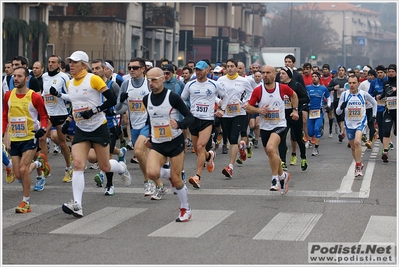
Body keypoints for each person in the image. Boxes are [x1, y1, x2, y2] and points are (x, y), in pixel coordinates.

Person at [61, 51, 131, 218]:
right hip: (81, 129)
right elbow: (76, 105)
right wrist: (68, 120)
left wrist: (93, 111)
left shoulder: (93, 79)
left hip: (99, 126)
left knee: (105, 166)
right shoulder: (70, 83)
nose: (71, 65)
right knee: (78, 164)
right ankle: (77, 204)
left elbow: (112, 101)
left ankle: (121, 168)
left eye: (75, 62)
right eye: (70, 62)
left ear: (83, 65)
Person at [143, 67, 194, 222]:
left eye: (153, 80)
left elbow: (189, 117)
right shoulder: (147, 99)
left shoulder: (173, 97)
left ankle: (185, 208)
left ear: (162, 79)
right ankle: (169, 175)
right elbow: (150, 119)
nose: (150, 83)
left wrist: (179, 124)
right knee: (151, 173)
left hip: (174, 142)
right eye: (148, 80)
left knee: (177, 179)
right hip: (158, 143)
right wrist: (150, 136)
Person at [116, 57, 167, 199]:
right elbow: (118, 109)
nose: (131, 70)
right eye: (129, 67)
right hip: (134, 125)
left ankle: (148, 182)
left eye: (135, 68)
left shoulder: (149, 84)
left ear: (143, 69)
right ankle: (160, 185)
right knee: (146, 157)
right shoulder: (126, 84)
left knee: (138, 152)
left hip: (148, 123)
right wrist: (121, 101)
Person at [244, 64, 299, 194]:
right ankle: (283, 176)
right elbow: (248, 107)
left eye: (268, 73)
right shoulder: (258, 90)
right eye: (263, 73)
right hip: (265, 126)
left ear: (275, 75)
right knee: (271, 153)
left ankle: (275, 179)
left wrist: (295, 110)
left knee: (270, 148)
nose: (265, 75)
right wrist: (259, 110)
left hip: (280, 125)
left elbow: (294, 95)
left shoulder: (282, 88)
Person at [2, 66, 49, 213]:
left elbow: (44, 116)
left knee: (23, 169)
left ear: (27, 79)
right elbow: (5, 116)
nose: (16, 79)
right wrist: (3, 133)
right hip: (15, 138)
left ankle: (26, 202)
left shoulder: (34, 96)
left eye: (20, 76)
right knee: (18, 174)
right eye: (15, 76)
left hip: (30, 137)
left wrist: (42, 128)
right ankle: (38, 162)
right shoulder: (8, 95)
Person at [181, 60, 226, 189]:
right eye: (197, 69)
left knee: (200, 147)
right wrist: (186, 112)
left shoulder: (214, 84)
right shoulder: (190, 85)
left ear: (207, 70)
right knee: (198, 151)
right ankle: (209, 155)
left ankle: (197, 177)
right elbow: (182, 100)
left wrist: (221, 110)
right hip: (193, 119)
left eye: (201, 69)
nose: (198, 72)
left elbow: (225, 96)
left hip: (207, 120)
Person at [90, 59, 128, 196]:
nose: (94, 71)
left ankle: (108, 184)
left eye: (97, 68)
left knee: (107, 155)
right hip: (95, 124)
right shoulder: (91, 85)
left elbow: (123, 104)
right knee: (91, 157)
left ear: (105, 69)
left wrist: (115, 112)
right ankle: (121, 154)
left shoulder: (113, 85)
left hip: (111, 124)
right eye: (92, 69)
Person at [217, 58, 253, 178]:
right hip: (225, 113)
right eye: (228, 66)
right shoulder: (221, 80)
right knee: (229, 138)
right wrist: (219, 102)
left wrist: (246, 102)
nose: (230, 68)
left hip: (239, 113)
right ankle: (241, 147)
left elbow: (251, 94)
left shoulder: (243, 81)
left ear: (237, 68)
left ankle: (230, 167)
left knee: (233, 138)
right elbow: (214, 94)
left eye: (232, 66)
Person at [336, 75, 377, 176]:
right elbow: (337, 112)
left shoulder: (363, 94)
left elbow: (374, 102)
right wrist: (341, 107)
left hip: (360, 122)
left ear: (358, 83)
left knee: (358, 142)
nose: (352, 85)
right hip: (349, 123)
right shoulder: (344, 95)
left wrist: (374, 115)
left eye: (354, 83)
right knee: (353, 147)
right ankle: (359, 162)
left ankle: (358, 166)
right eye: (350, 83)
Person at [43, 54, 73, 183]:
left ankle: (68, 168)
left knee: (62, 143)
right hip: (48, 114)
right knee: (42, 138)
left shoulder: (63, 77)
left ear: (59, 64)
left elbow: (71, 96)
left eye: (53, 62)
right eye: (49, 62)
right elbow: (43, 93)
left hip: (60, 114)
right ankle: (44, 166)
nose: (50, 64)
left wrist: (58, 94)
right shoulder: (44, 76)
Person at [278, 66, 309, 171]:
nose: (280, 75)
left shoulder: (296, 85)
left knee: (297, 138)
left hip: (295, 115)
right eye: (280, 73)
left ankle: (303, 158)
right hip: (283, 116)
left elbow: (306, 98)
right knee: (281, 138)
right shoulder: (278, 86)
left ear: (289, 75)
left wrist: (294, 100)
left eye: (283, 73)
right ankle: (282, 161)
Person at [306, 72, 331, 156]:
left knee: (316, 129)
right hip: (310, 112)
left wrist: (328, 105)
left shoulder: (323, 88)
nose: (314, 78)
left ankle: (316, 149)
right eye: (312, 76)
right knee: (310, 132)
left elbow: (328, 97)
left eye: (315, 76)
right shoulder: (308, 88)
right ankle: (310, 140)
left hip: (319, 112)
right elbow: (304, 97)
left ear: (319, 78)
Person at [378, 64, 396, 163]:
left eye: (393, 71)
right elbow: (385, 93)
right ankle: (385, 152)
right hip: (389, 110)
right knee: (386, 130)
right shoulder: (386, 82)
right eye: (389, 71)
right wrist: (380, 97)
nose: (391, 73)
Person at [368, 65, 388, 146]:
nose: (379, 74)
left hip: (387, 107)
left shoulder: (388, 81)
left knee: (387, 127)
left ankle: (387, 143)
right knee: (381, 126)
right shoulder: (374, 82)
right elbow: (369, 94)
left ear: (384, 73)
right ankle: (385, 145)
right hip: (378, 108)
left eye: (381, 72)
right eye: (378, 73)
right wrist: (374, 94)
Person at [327, 66, 348, 142]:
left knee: (342, 117)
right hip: (336, 100)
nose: (341, 72)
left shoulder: (347, 81)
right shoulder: (334, 80)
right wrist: (333, 88)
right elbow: (328, 88)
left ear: (345, 72)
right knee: (338, 117)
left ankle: (342, 132)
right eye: (340, 70)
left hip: (345, 101)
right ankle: (341, 130)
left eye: (342, 70)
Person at [358, 69, 378, 149]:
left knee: (371, 124)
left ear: (374, 76)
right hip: (364, 108)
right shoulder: (363, 84)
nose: (370, 77)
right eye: (369, 75)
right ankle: (363, 137)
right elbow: (359, 92)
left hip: (372, 107)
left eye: (372, 75)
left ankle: (369, 141)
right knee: (363, 123)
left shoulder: (376, 83)